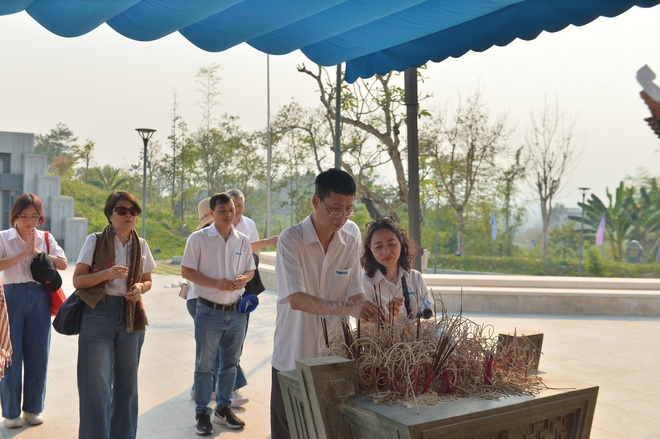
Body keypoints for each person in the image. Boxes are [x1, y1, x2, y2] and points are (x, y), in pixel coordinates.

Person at [270, 169, 384, 439]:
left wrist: (370, 311)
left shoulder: (351, 236)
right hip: (293, 351)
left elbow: (355, 292)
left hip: (334, 353)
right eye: (334, 208)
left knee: (329, 429)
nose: (341, 217)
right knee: (289, 429)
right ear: (316, 201)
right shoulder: (291, 239)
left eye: (348, 209)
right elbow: (296, 299)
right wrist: (348, 308)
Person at [72, 191, 156, 439]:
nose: (129, 215)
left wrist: (140, 288)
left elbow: (148, 280)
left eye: (134, 211)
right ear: (110, 215)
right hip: (98, 313)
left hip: (130, 314)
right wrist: (106, 274)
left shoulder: (141, 244)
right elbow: (78, 280)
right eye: (122, 211)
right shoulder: (95, 240)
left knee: (127, 386)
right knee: (96, 386)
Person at [182, 192, 255, 435]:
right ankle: (202, 412)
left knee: (230, 365)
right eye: (223, 210)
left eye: (231, 210)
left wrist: (244, 278)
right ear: (212, 213)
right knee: (204, 365)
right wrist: (216, 283)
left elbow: (250, 269)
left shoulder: (243, 240)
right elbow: (187, 271)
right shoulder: (198, 238)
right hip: (208, 311)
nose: (228, 214)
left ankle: (223, 409)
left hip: (236, 312)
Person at [0, 193, 67, 428]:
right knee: (10, 356)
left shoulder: (45, 238)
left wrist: (38, 253)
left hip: (39, 297)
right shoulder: (4, 237)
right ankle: (11, 413)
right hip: (11, 296)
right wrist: (22, 253)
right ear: (14, 216)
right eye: (24, 216)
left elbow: (63, 263)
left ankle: (33, 409)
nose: (29, 221)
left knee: (39, 355)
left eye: (34, 216)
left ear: (40, 217)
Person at [226, 188, 278, 407]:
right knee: (221, 341)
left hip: (244, 288)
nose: (237, 210)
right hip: (222, 288)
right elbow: (235, 247)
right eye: (233, 205)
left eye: (240, 205)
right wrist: (267, 241)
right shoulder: (219, 225)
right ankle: (229, 388)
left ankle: (222, 386)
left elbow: (252, 255)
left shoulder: (249, 224)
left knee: (237, 336)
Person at [361, 217, 433, 321]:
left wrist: (420, 324)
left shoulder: (415, 277)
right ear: (370, 248)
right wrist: (386, 319)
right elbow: (363, 327)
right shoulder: (366, 283)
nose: (386, 251)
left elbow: (431, 316)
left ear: (401, 243)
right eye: (379, 246)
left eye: (391, 244)